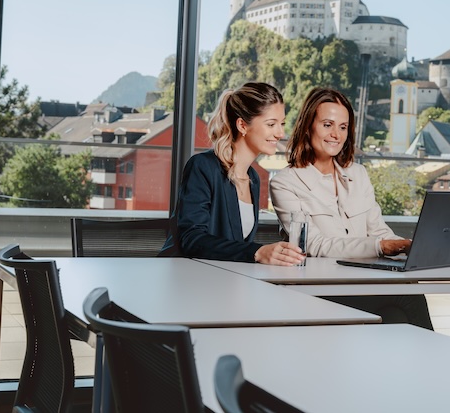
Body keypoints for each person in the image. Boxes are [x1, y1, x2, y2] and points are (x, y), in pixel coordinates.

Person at [270, 87, 433, 328]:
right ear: (308, 126)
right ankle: (435, 363)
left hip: (362, 282)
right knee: (407, 294)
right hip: (318, 288)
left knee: (395, 316)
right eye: (327, 125)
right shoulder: (285, 182)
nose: (336, 134)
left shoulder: (359, 174)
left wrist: (408, 246)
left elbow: (378, 230)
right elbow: (314, 245)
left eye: (343, 127)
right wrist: (379, 247)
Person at [160, 82, 305, 265]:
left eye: (282, 124)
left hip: (222, 280)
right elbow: (191, 239)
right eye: (271, 124)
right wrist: (257, 252)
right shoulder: (203, 167)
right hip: (185, 278)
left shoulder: (253, 178)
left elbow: (236, 248)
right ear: (242, 126)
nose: (280, 133)